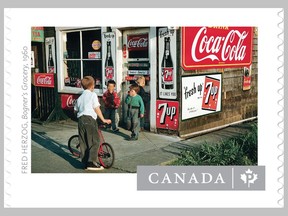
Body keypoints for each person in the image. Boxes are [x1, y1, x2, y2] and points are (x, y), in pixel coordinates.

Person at [74, 76, 111, 171]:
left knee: (84, 142)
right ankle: (92, 162)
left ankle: (85, 163)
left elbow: (75, 110)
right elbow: (96, 108)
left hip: (81, 120)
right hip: (90, 119)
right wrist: (103, 120)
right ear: (92, 86)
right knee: (95, 141)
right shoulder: (92, 95)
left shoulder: (80, 97)